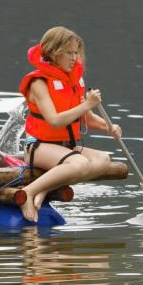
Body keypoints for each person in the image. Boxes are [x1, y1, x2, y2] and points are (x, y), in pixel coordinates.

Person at [16, 27, 121, 224]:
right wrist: (87, 104)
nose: (74, 58)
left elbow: (87, 119)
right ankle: (27, 193)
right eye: (69, 53)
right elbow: (54, 121)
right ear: (53, 52)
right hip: (39, 147)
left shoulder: (74, 80)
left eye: (76, 52)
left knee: (103, 159)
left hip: (66, 147)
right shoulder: (38, 82)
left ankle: (44, 189)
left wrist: (109, 127)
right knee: (80, 163)